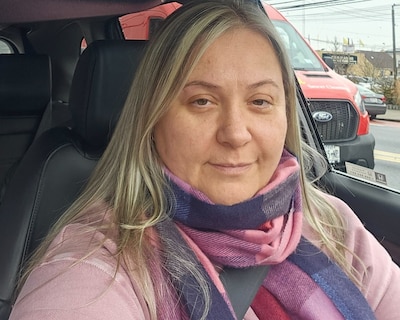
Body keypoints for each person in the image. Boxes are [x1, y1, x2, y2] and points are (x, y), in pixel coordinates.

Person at [10, 0, 400, 319]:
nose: (235, 133)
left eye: (260, 101)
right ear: (153, 118)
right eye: (201, 101)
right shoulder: (94, 269)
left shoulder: (332, 223)